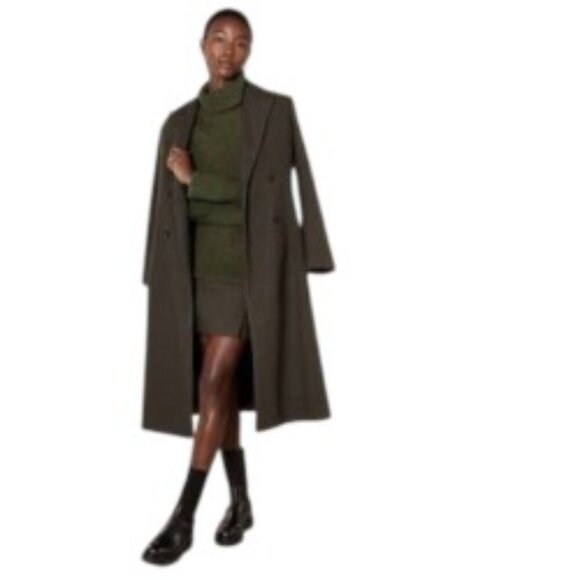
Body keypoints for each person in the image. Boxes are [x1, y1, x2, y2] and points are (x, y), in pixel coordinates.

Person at [142, 9, 257, 565]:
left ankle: (183, 516)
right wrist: (156, 274)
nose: (228, 50)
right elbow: (164, 208)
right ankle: (241, 503)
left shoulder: (270, 113)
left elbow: (260, 200)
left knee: (213, 382)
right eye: (219, 39)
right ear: (202, 45)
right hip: (194, 273)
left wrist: (196, 180)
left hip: (244, 271)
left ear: (250, 50)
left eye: (240, 42)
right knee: (221, 392)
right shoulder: (179, 121)